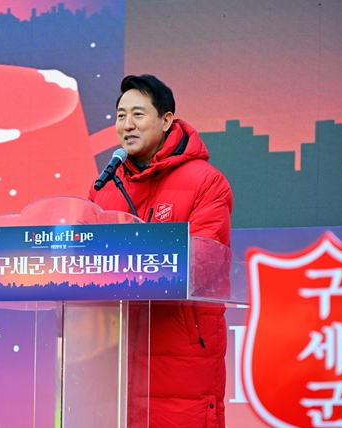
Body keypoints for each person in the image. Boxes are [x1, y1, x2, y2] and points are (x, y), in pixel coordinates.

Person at [88, 74, 233, 427]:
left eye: (138, 114)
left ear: (166, 120)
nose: (127, 125)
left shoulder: (206, 182)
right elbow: (82, 262)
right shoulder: (104, 188)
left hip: (181, 358)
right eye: (120, 116)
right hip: (113, 356)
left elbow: (201, 263)